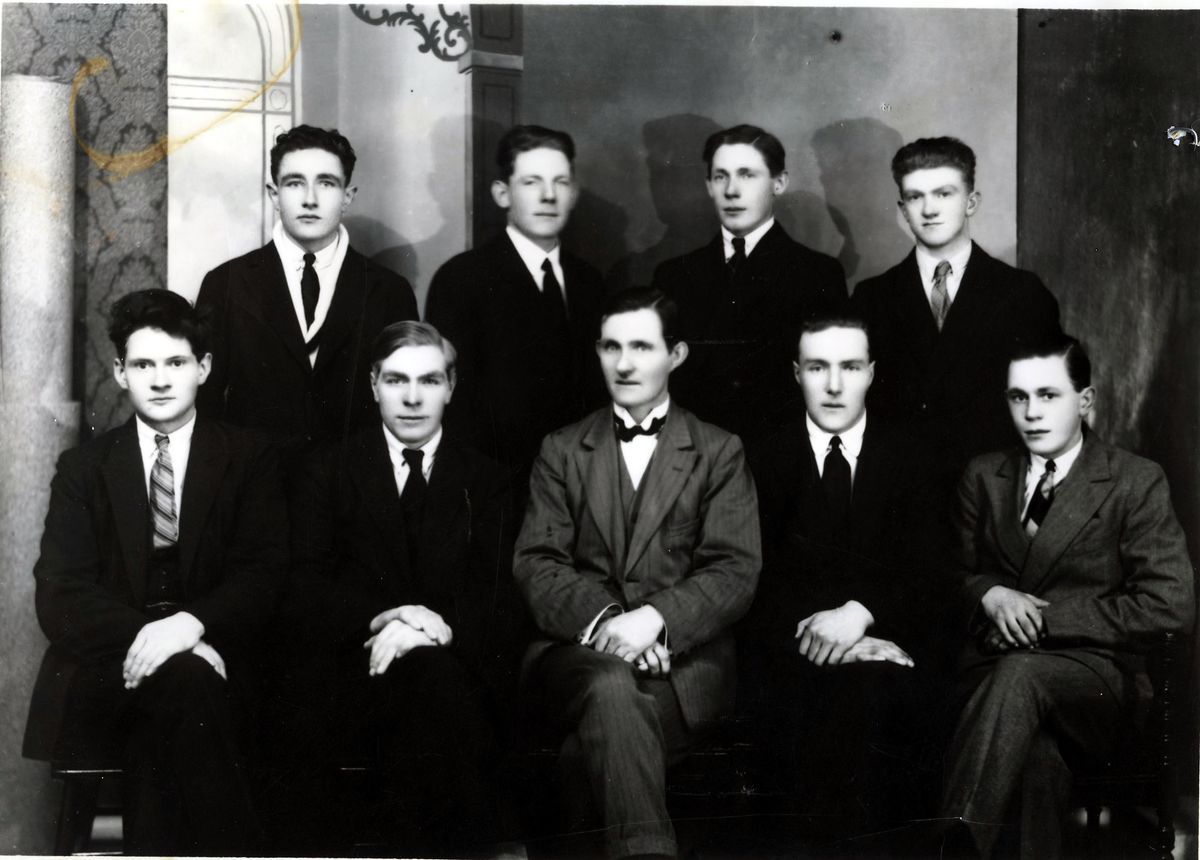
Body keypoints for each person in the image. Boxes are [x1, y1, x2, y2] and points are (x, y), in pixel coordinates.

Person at [23, 290, 286, 855]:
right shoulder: (84, 467)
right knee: (184, 684)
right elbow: (60, 595)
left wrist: (191, 625)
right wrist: (158, 638)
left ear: (203, 368)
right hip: (111, 671)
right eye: (143, 365)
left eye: (176, 362)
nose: (161, 380)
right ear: (120, 372)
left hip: (222, 659)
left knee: (187, 692)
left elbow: (264, 573)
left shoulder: (249, 457)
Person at [514, 287, 761, 859]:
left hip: (683, 669)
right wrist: (613, 625)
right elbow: (537, 561)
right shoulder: (561, 449)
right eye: (611, 347)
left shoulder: (718, 451)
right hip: (578, 655)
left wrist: (655, 621)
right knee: (606, 682)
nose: (624, 364)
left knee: (582, 758)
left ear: (676, 354)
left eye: (642, 347)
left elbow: (734, 569)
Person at [939, 335, 1194, 858]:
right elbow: (949, 576)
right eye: (1018, 397)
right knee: (1037, 756)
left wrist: (1046, 621)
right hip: (990, 680)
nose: (1031, 412)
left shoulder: (1134, 480)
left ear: (1085, 400)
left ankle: (952, 848)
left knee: (1022, 674)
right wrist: (989, 593)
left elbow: (1171, 604)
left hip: (1096, 682)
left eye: (1049, 395)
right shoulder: (984, 475)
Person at [280, 321, 522, 856]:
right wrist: (390, 617)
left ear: (450, 386)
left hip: (454, 668)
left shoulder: (488, 480)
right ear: (373, 384)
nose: (412, 398)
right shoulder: (326, 470)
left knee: (438, 684)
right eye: (396, 380)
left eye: (429, 380)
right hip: (354, 668)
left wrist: (431, 631)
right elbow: (304, 586)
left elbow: (497, 597)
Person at [745, 314, 950, 837]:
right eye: (818, 367)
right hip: (791, 652)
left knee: (879, 708)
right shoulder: (759, 457)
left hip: (889, 651)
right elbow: (753, 578)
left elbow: (932, 573)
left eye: (850, 367)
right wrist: (833, 638)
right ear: (796, 373)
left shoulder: (914, 456)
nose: (834, 385)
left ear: (872, 373)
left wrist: (860, 614)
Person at [851, 136, 1060, 498]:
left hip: (995, 495)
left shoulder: (1023, 293)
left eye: (944, 194)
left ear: (971, 202)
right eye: (915, 197)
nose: (929, 209)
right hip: (899, 497)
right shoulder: (871, 298)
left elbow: (1051, 401)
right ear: (903, 209)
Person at [196, 124, 417, 451]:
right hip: (254, 478)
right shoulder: (225, 283)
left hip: (355, 479)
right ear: (274, 195)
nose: (310, 200)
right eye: (294, 183)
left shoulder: (389, 291)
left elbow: (403, 403)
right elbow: (205, 405)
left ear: (347, 197)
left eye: (326, 183)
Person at [425, 124, 606, 485]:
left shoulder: (591, 282)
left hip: (582, 483)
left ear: (573, 194)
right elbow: (455, 407)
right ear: (502, 193)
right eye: (531, 182)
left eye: (560, 182)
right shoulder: (461, 279)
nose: (548, 196)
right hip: (495, 486)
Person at [651, 124, 847, 444]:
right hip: (695, 453)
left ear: (779, 183)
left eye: (747, 175)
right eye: (721, 177)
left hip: (781, 452)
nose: (732, 190)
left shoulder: (818, 274)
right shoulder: (673, 276)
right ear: (709, 186)